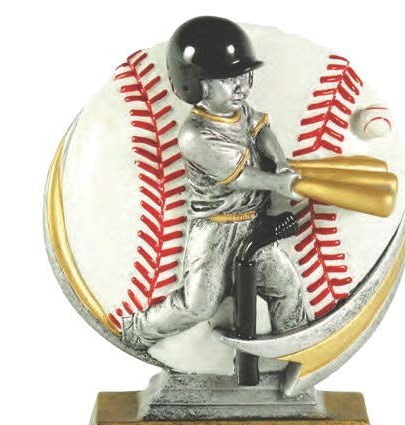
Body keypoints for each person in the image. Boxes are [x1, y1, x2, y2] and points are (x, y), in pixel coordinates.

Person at [122, 16, 308, 350]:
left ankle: (294, 350)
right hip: (215, 230)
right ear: (198, 85)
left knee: (287, 285)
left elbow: (261, 131)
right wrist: (277, 183)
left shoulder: (241, 110)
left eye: (244, 76)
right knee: (199, 306)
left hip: (253, 224)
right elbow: (241, 177)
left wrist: (280, 161)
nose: (241, 87)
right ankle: (139, 330)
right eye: (228, 79)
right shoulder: (195, 135)